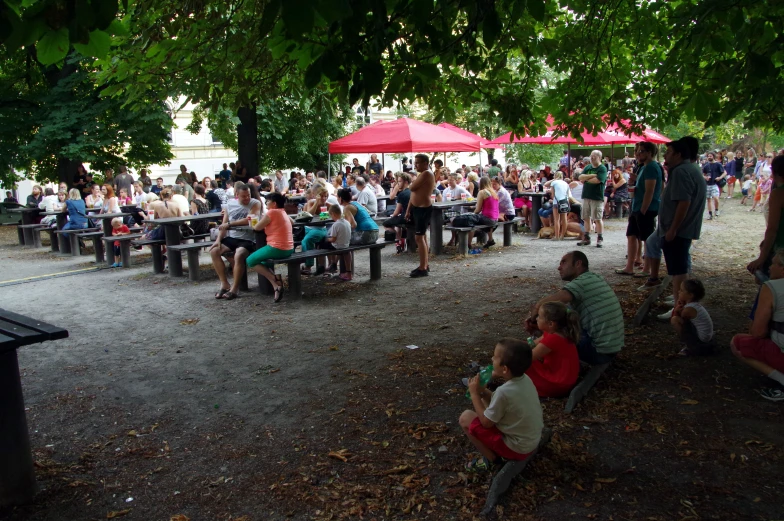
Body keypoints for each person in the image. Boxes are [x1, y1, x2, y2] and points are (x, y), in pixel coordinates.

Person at [459, 338, 544, 470]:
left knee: (465, 418)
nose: (492, 359)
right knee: (483, 401)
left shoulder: (503, 392)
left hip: (517, 448)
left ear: (504, 369)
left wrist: (475, 395)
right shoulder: (525, 379)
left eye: (496, 357)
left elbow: (486, 422)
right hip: (530, 440)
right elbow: (502, 403)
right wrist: (482, 392)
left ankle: (493, 459)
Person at [533, 251, 624, 364]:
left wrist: (533, 316)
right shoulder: (593, 278)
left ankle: (534, 354)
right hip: (611, 348)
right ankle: (538, 346)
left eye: (564, 263)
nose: (559, 268)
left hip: (598, 352)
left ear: (578, 264)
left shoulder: (581, 283)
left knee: (557, 330)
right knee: (562, 319)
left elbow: (549, 302)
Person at [656, 138, 707, 320]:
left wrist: (673, 229)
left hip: (678, 231)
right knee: (680, 267)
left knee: (678, 270)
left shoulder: (681, 172)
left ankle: (679, 307)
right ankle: (680, 302)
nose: (665, 155)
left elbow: (684, 202)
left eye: (668, 152)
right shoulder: (690, 169)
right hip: (682, 230)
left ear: (678, 154)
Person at [732, 248, 784, 401]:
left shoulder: (772, 287)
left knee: (738, 343)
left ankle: (781, 380)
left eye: (773, 264)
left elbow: (758, 332)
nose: (769, 267)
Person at [617, 142, 663, 276]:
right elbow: (643, 185)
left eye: (641, 151)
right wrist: (635, 181)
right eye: (636, 151)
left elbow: (650, 190)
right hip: (636, 206)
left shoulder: (652, 167)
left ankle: (646, 269)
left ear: (650, 153)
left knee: (646, 238)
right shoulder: (643, 167)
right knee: (631, 235)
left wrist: (643, 210)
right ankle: (629, 267)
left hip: (646, 208)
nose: (637, 154)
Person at [210, 183, 262, 300]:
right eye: (244, 196)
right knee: (214, 251)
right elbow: (224, 224)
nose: (247, 198)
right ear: (237, 195)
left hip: (248, 239)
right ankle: (224, 284)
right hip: (232, 238)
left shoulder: (255, 203)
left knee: (239, 255)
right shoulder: (229, 204)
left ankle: (234, 288)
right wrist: (218, 240)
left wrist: (230, 224)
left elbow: (249, 219)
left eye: (248, 195)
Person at [245, 192, 294, 302]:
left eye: (268, 201)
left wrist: (254, 221)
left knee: (250, 260)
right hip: (289, 248)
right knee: (263, 263)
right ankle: (276, 287)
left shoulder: (272, 212)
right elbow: (292, 221)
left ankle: (275, 279)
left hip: (276, 248)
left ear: (274, 203)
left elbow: (257, 227)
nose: (266, 202)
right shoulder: (282, 212)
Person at [526, 302, 580, 397]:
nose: (537, 318)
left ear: (551, 323)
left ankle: (495, 375)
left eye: (540, 316)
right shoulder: (557, 332)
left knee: (520, 365)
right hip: (563, 380)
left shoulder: (553, 339)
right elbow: (533, 343)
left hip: (557, 385)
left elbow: (527, 357)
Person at [747, 155, 784, 277]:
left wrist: (761, 258)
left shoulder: (778, 194)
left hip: (780, 247)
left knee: (767, 281)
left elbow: (772, 229)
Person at [406, 154, 435, 277]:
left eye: (417, 163)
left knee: (419, 237)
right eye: (415, 162)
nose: (415, 165)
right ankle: (424, 264)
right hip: (417, 208)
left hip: (424, 208)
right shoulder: (421, 174)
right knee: (422, 237)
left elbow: (412, 187)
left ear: (425, 163)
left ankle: (423, 268)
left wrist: (411, 181)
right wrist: (408, 209)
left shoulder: (426, 173)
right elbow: (413, 195)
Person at [670, 279, 716, 356]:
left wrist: (676, 310)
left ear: (690, 295)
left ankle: (691, 346)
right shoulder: (694, 305)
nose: (678, 291)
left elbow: (677, 318)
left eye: (681, 290)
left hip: (702, 338)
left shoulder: (688, 310)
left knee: (675, 320)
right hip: (707, 335)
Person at [299, 186, 338, 276]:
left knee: (306, 241)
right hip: (308, 228)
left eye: (326, 196)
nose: (324, 198)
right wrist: (317, 202)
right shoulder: (311, 202)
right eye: (322, 196)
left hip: (320, 229)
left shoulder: (327, 205)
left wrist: (330, 214)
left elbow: (337, 211)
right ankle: (316, 266)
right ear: (317, 196)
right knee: (306, 241)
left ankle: (308, 266)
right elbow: (309, 214)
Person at [577, 150, 608, 247]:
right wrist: (592, 175)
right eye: (591, 156)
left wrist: (586, 179)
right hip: (586, 196)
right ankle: (587, 238)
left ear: (599, 157)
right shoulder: (588, 167)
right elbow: (580, 177)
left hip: (597, 197)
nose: (592, 157)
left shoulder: (602, 168)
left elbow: (598, 180)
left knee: (597, 218)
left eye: (594, 156)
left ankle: (599, 238)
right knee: (586, 217)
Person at [321, 204, 353, 281]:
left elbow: (333, 239)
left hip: (338, 246)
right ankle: (336, 265)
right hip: (346, 245)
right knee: (344, 251)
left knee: (322, 244)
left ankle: (329, 264)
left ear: (333, 214)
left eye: (331, 215)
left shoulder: (336, 225)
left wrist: (327, 239)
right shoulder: (347, 222)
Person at [468, 177, 500, 248]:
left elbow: (478, 209)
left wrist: (472, 214)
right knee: (481, 218)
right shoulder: (493, 192)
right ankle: (490, 239)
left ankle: (468, 243)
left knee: (471, 220)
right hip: (495, 218)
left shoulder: (482, 192)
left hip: (488, 218)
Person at [383, 173, 412, 247]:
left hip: (405, 217)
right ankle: (401, 240)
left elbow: (396, 212)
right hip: (413, 216)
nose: (398, 183)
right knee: (397, 223)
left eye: (399, 181)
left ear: (405, 182)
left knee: (386, 223)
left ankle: (398, 241)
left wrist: (393, 215)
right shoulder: (412, 192)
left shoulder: (401, 194)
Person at [547, 173, 571, 240]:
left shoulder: (554, 182)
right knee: (564, 219)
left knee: (557, 219)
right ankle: (562, 235)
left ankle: (557, 236)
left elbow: (553, 194)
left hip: (557, 202)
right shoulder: (566, 183)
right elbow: (568, 194)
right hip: (565, 202)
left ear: (555, 176)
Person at [702, 152, 724, 220]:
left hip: (715, 184)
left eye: (710, 156)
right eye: (708, 156)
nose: (709, 157)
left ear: (713, 156)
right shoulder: (706, 165)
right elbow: (703, 174)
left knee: (716, 198)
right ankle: (710, 213)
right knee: (708, 199)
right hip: (708, 184)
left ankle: (716, 210)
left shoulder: (718, 164)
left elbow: (724, 172)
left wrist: (719, 178)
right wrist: (705, 177)